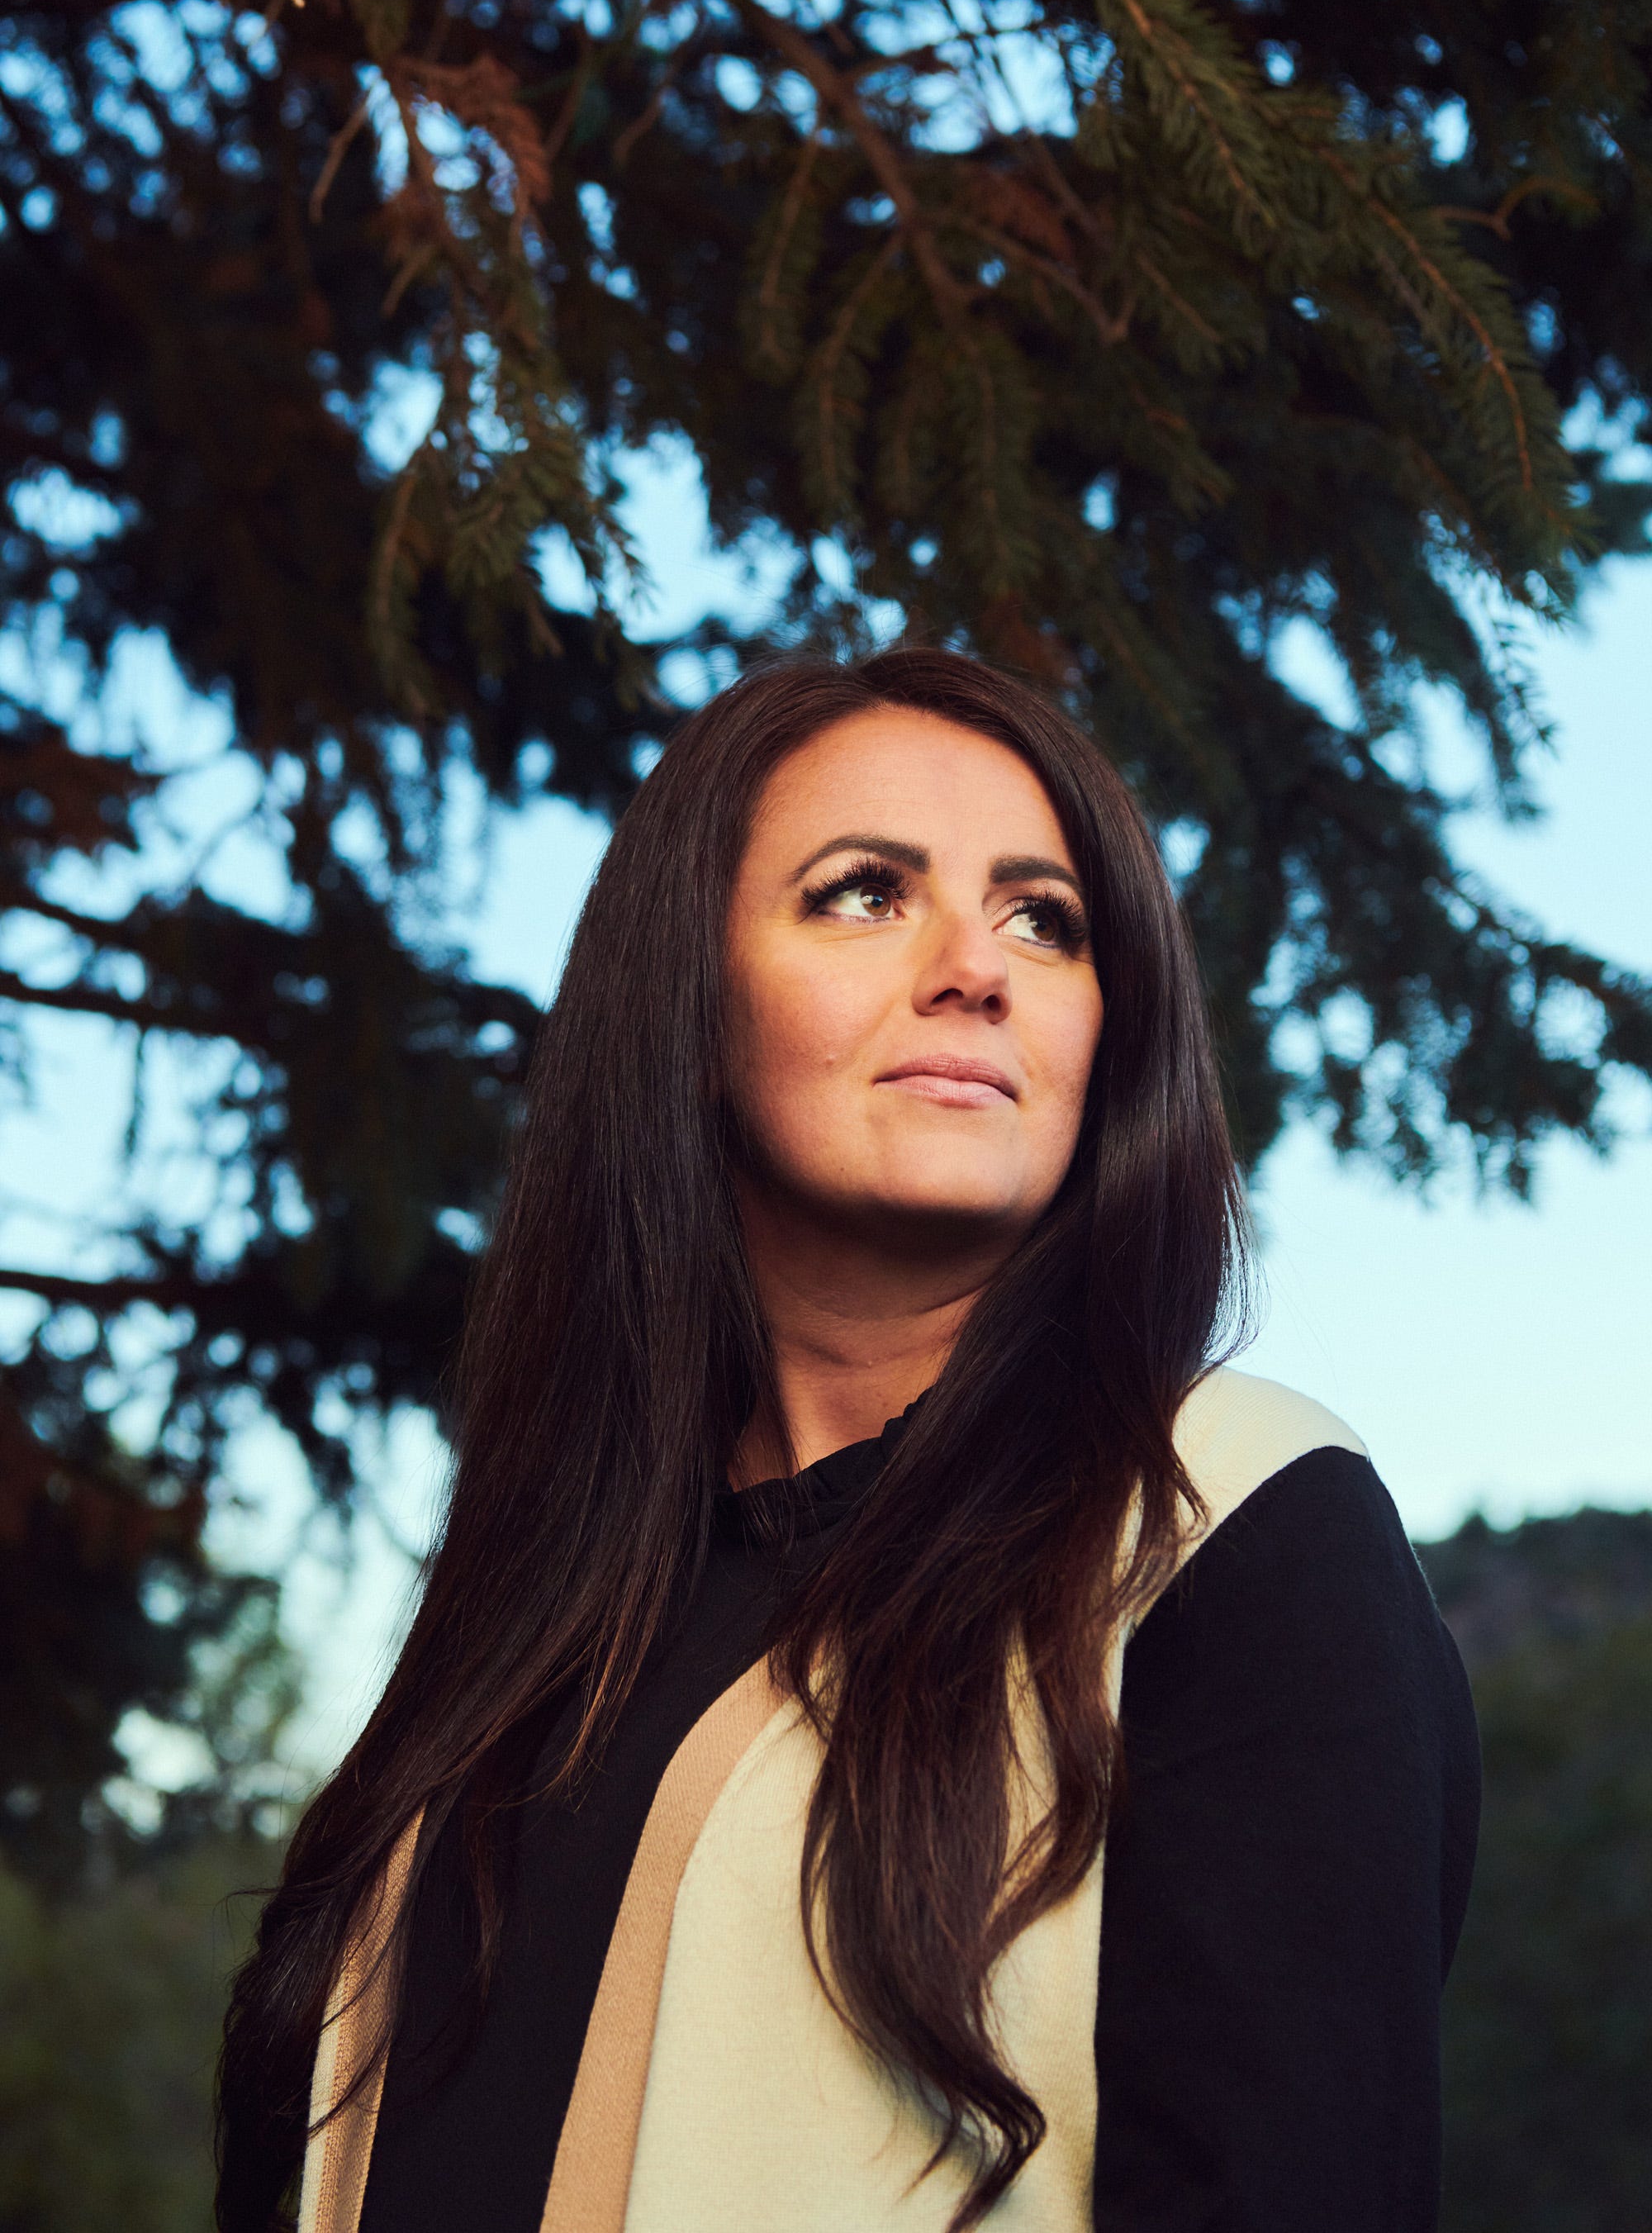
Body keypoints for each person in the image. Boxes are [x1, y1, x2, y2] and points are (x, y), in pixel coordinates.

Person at [216, 649, 1479, 2233]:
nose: (977, 967)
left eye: (1047, 918)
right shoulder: (526, 1634)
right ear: (688, 994)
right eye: (864, 892)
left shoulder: (1229, 1528)